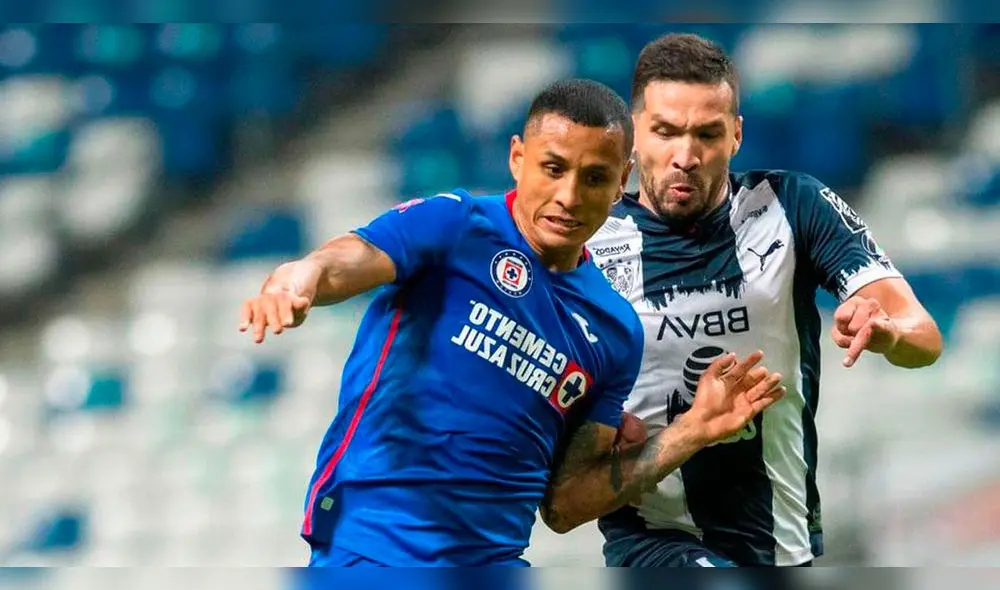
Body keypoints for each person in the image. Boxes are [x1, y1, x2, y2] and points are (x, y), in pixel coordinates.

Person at [237, 78, 786, 567]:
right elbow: (349, 259)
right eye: (553, 168)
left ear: (622, 181)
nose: (569, 196)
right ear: (517, 157)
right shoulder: (458, 225)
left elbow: (567, 505)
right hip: (376, 546)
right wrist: (299, 277)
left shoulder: (615, 329)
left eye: (594, 178)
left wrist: (691, 432)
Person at [576, 33, 944, 568]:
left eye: (707, 133)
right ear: (634, 135)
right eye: (665, 131)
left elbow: (925, 339)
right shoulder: (588, 243)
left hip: (780, 539)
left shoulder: (792, 205)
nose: (685, 155)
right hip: (654, 539)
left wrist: (887, 331)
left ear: (737, 135)